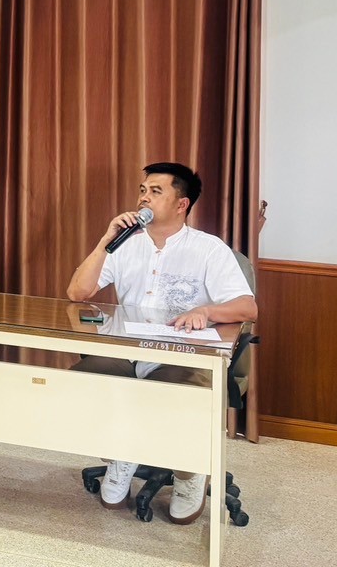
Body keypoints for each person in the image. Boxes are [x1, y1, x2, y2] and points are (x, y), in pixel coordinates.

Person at [65, 162, 258, 524]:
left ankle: (189, 471)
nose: (144, 198)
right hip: (128, 351)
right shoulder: (125, 245)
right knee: (83, 379)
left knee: (181, 396)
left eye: (155, 191)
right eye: (142, 190)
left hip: (183, 355)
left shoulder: (209, 249)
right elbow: (78, 292)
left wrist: (206, 310)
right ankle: (121, 453)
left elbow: (248, 308)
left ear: (181, 204)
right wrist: (106, 241)